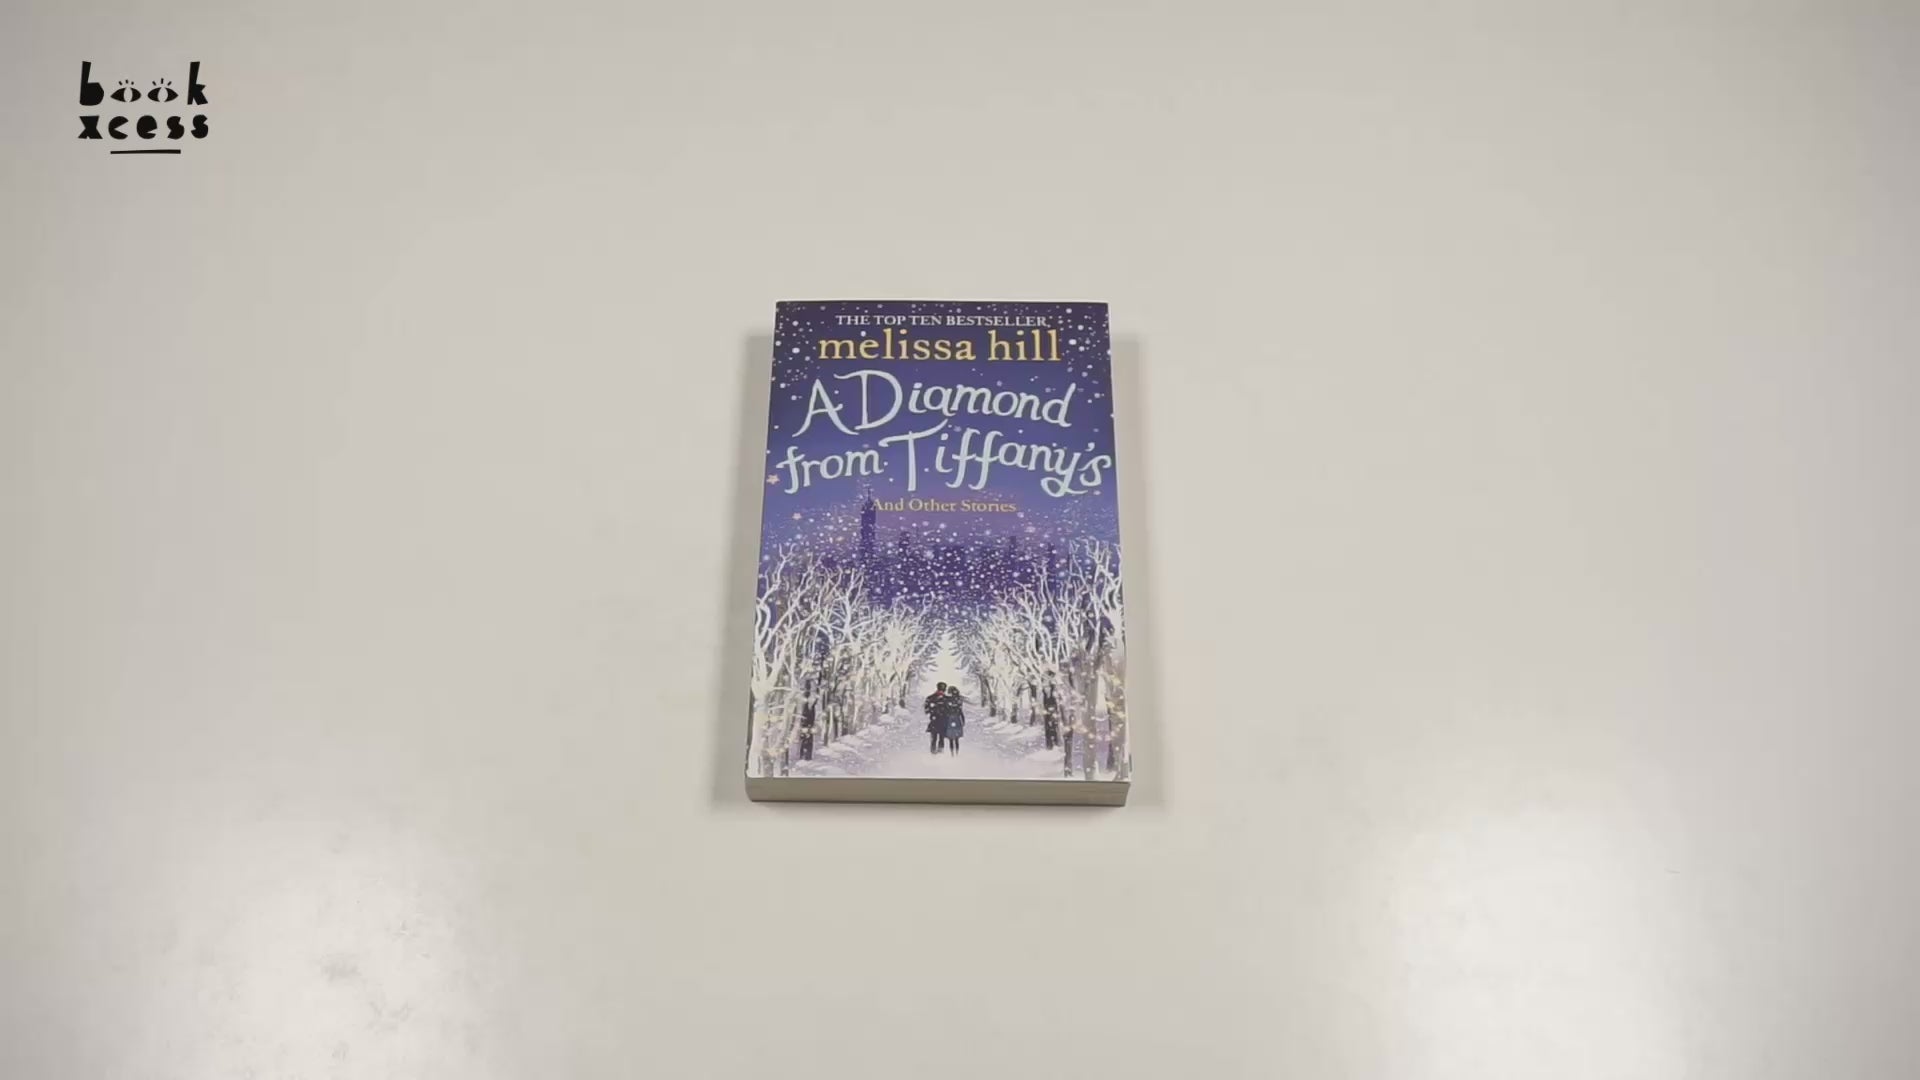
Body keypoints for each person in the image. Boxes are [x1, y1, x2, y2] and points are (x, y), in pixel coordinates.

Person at [925, 682, 949, 754]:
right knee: (936, 738)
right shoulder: (946, 699)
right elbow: (927, 710)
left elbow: (927, 710)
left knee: (939, 738)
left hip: (938, 720)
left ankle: (938, 753)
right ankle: (935, 753)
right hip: (937, 720)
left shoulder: (931, 698)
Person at [943, 685, 966, 755]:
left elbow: (945, 710)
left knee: (951, 738)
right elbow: (960, 710)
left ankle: (952, 753)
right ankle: (956, 752)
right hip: (956, 718)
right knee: (956, 738)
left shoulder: (947, 699)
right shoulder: (958, 699)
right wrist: (962, 719)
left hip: (950, 719)